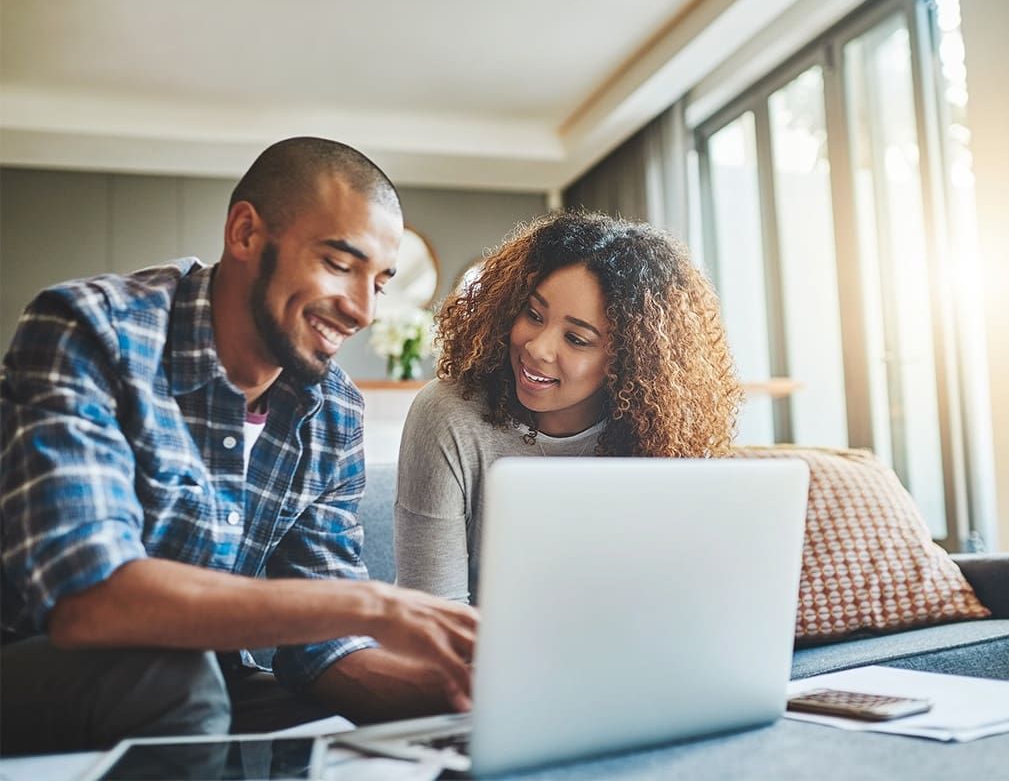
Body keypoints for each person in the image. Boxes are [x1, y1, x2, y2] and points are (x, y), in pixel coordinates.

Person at [0, 137, 478, 756]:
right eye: (339, 264)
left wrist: (457, 693)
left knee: (328, 725)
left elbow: (321, 651)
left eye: (379, 283)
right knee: (180, 682)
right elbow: (88, 599)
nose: (362, 311)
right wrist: (372, 604)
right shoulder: (89, 330)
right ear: (246, 233)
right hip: (35, 659)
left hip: (200, 679)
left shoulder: (333, 410)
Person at [394, 209, 743, 604]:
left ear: (628, 359)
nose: (537, 348)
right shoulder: (449, 415)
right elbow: (432, 613)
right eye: (533, 314)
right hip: (474, 655)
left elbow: (678, 597)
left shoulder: (660, 437)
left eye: (576, 339)